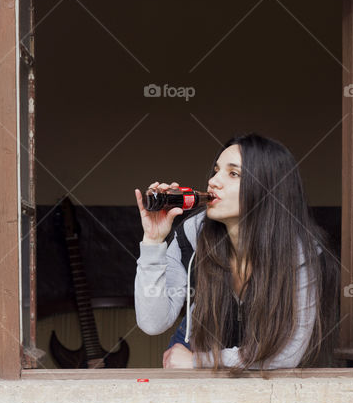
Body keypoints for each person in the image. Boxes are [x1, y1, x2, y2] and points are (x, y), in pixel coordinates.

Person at [133, 133, 336, 373]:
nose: (213, 181)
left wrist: (200, 361)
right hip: (198, 349)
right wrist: (154, 241)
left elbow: (287, 354)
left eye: (233, 174)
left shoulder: (303, 254)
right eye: (216, 170)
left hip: (267, 376)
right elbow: (152, 322)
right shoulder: (193, 234)